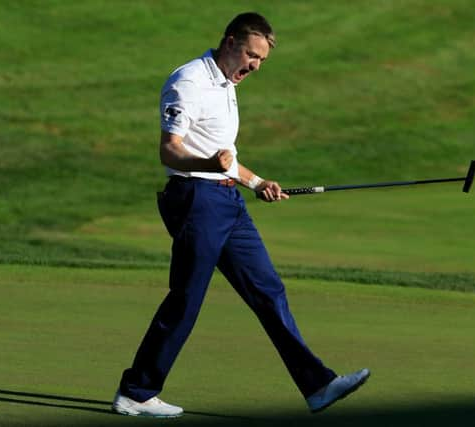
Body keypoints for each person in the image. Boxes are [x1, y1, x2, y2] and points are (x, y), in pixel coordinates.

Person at [112, 12, 370, 418]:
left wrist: (257, 182)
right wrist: (213, 167)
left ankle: (318, 385)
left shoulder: (227, 82)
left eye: (262, 61)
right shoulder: (189, 82)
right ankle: (136, 391)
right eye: (251, 55)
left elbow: (224, 154)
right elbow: (170, 151)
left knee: (268, 290)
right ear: (230, 42)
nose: (254, 66)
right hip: (197, 198)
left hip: (229, 203)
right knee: (186, 300)